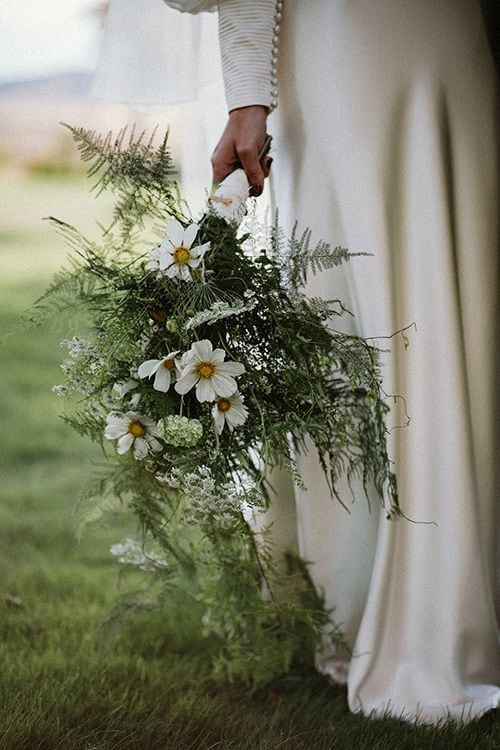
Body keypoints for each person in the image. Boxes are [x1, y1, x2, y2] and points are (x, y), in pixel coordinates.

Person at [94, 0, 500, 723]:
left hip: (434, 33)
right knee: (351, 306)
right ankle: (377, 601)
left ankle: (449, 602)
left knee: (457, 287)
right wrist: (248, 97)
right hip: (343, 40)